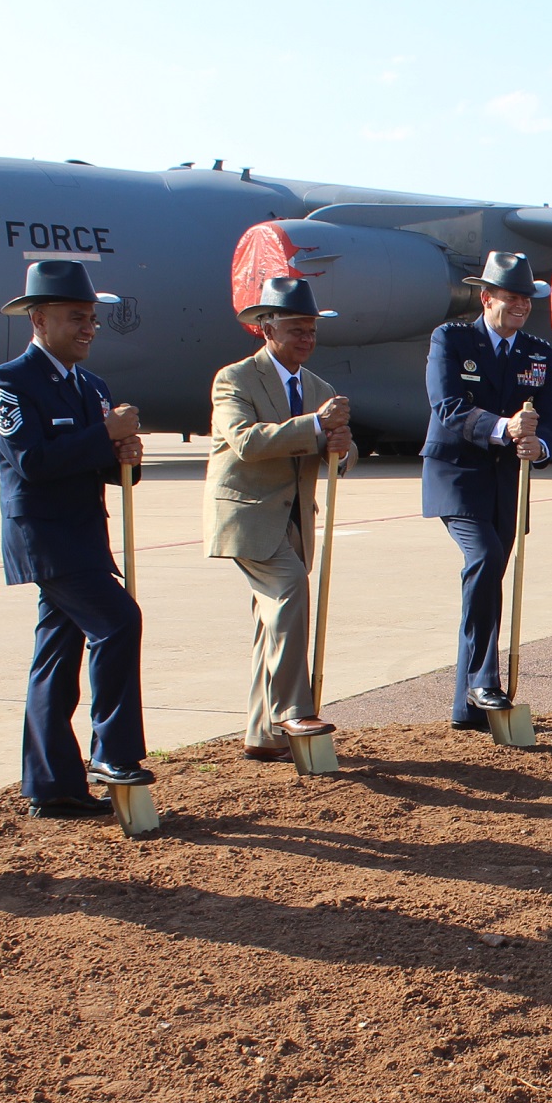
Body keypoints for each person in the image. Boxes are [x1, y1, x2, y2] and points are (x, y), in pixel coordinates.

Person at [0, 260, 152, 817]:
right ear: (38, 319)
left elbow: (98, 462)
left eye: (92, 319)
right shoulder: (10, 383)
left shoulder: (90, 385)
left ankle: (52, 786)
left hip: (84, 536)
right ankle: (113, 752)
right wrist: (105, 435)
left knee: (56, 657)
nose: (88, 327)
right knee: (118, 621)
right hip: (47, 539)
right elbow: (31, 461)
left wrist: (125, 457)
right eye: (76, 317)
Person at [204, 276, 354, 760]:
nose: (306, 339)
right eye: (295, 329)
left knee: (269, 624)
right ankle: (293, 709)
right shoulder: (235, 379)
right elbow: (246, 442)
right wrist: (315, 427)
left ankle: (262, 735)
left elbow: (342, 453)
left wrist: (339, 448)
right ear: (266, 329)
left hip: (294, 521)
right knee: (289, 591)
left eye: (311, 330)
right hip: (247, 518)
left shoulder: (318, 387)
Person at [422, 252, 552, 730]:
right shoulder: (452, 338)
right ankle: (486, 679)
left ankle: (467, 708)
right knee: (481, 559)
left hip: (507, 482)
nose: (521, 305)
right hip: (457, 474)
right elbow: (447, 407)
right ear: (486, 297)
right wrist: (504, 427)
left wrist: (538, 444)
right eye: (511, 297)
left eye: (527, 298)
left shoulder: (538, 352)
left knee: (488, 580)